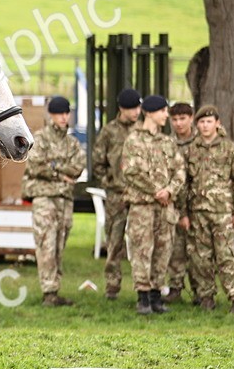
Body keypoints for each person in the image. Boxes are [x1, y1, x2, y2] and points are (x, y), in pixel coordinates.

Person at [180, 104, 234, 313]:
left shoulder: (229, 149)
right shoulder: (191, 149)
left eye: (209, 121)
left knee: (226, 255)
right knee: (200, 257)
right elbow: (184, 183)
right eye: (201, 122)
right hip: (197, 212)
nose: (205, 126)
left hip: (222, 213)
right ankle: (205, 297)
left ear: (217, 123)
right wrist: (183, 213)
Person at [121, 94, 184, 314]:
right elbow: (130, 171)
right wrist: (155, 191)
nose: (167, 115)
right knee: (141, 250)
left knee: (163, 250)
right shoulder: (134, 139)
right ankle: (143, 297)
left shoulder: (168, 142)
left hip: (165, 207)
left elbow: (180, 171)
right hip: (142, 207)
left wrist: (169, 190)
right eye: (163, 111)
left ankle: (157, 295)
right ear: (150, 112)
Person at [22, 95, 86, 306]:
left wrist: (52, 167)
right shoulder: (39, 139)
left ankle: (54, 290)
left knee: (60, 244)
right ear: (51, 114)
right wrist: (60, 172)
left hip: (64, 200)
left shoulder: (72, 143)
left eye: (66, 113)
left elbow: (77, 168)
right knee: (46, 243)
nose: (63, 117)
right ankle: (48, 292)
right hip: (44, 199)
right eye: (59, 113)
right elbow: (35, 166)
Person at [92, 87, 143, 299]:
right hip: (116, 195)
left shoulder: (143, 130)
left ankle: (144, 287)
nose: (136, 112)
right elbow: (98, 161)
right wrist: (109, 182)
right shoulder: (109, 131)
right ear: (122, 108)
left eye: (138, 108)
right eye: (132, 109)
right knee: (114, 241)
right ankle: (112, 286)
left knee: (142, 241)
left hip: (141, 195)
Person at [165, 102, 197, 302]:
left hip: (199, 203)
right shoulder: (168, 144)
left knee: (198, 251)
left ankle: (199, 290)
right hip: (176, 203)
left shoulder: (201, 142)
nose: (178, 123)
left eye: (182, 119)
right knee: (176, 249)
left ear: (191, 118)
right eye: (174, 119)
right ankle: (175, 287)